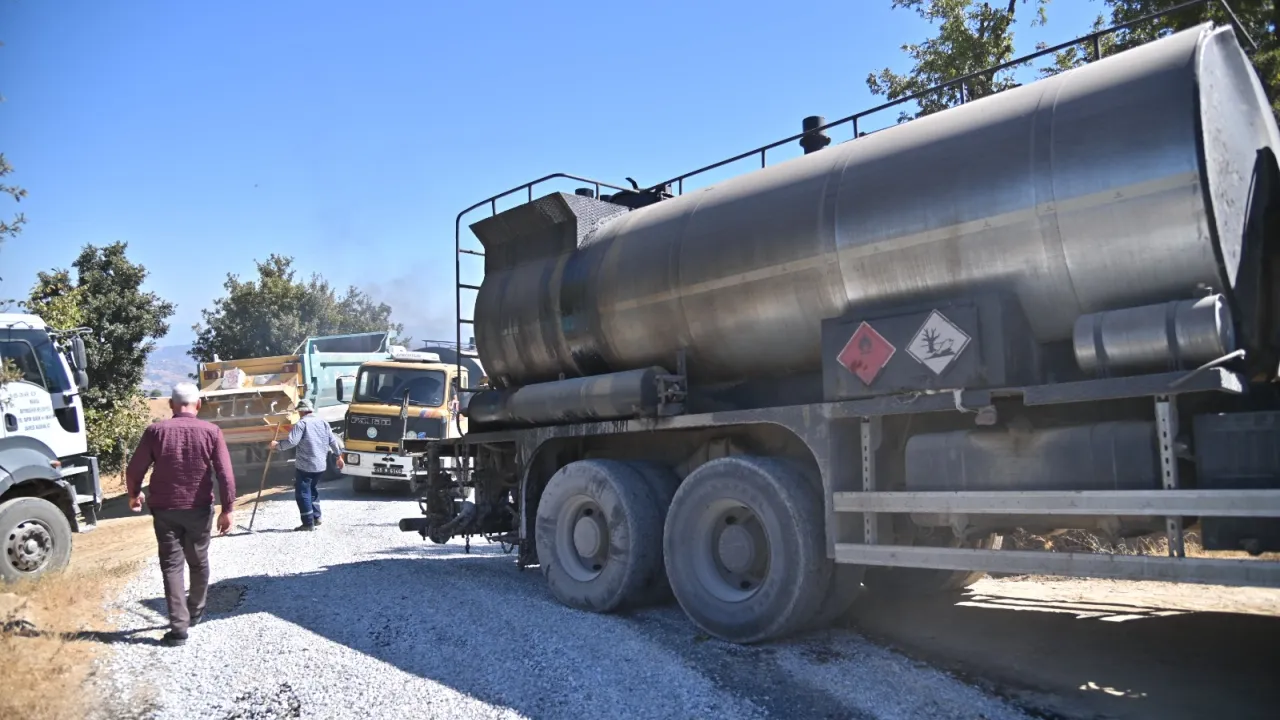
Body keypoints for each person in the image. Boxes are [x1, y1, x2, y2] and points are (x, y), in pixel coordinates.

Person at [125, 381, 236, 647]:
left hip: (165, 509)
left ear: (170, 404)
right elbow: (225, 474)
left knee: (172, 566)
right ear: (198, 404)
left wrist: (134, 494)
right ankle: (195, 612)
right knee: (198, 561)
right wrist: (228, 509)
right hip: (199, 509)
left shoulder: (155, 431)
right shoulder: (212, 431)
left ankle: (178, 629)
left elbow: (134, 469)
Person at [270, 399, 344, 531]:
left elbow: (292, 442)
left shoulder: (301, 424)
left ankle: (308, 523)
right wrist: (339, 456)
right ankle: (316, 517)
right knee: (312, 489)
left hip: (306, 466)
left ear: (301, 411)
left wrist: (277, 446)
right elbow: (333, 441)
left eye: (298, 411)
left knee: (302, 492)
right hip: (320, 465)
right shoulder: (323, 422)